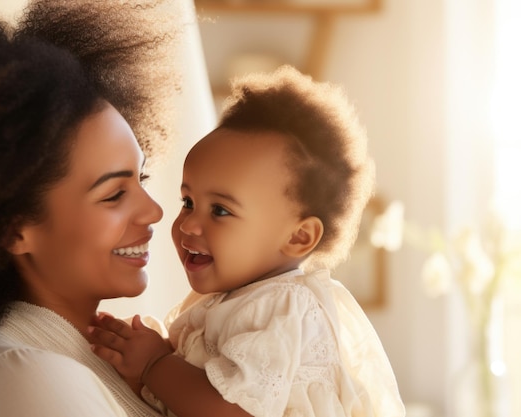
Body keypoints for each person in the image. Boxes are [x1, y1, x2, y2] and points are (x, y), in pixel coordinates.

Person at [0, 1, 184, 416]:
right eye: (114, 195)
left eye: (143, 180)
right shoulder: (23, 373)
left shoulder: (94, 359)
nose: (154, 211)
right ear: (12, 230)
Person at [90, 65, 406, 417]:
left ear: (299, 237)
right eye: (188, 202)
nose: (189, 224)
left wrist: (155, 364)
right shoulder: (230, 302)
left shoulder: (282, 308)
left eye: (221, 211)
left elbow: (232, 410)